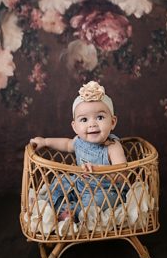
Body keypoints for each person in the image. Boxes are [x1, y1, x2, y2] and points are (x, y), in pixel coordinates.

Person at [29, 80, 126, 226]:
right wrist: (45, 141)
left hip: (105, 189)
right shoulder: (79, 141)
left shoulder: (113, 146)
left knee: (97, 202)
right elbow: (66, 144)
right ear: (75, 127)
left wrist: (99, 170)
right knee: (61, 181)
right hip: (80, 183)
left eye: (100, 117)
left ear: (112, 122)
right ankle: (48, 205)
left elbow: (122, 173)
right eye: (84, 119)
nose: (92, 124)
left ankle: (72, 213)